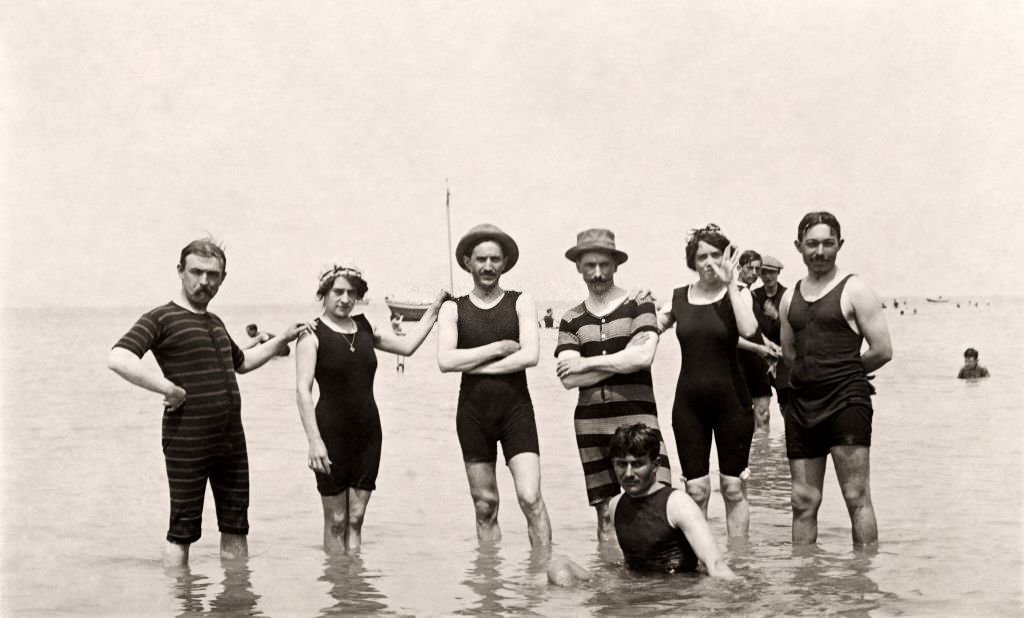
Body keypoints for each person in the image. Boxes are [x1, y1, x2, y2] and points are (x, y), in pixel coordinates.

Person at [107, 238, 306, 567]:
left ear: (223, 278)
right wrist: (167, 388)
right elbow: (118, 357)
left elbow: (242, 363)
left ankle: (237, 601)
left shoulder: (215, 322)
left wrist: (282, 339)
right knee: (182, 529)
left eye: (213, 274)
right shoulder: (160, 318)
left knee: (236, 524)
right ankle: (184, 606)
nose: (204, 281)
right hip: (187, 438)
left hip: (231, 440)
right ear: (180, 271)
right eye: (196, 272)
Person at [294, 264, 448, 554]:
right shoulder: (311, 335)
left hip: (368, 434)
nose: (345, 298)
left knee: (356, 518)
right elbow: (303, 391)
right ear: (324, 294)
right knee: (336, 519)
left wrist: (436, 309)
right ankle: (339, 590)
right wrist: (314, 442)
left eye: (352, 293)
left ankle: (355, 589)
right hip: (330, 435)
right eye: (337, 291)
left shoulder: (365, 328)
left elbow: (408, 346)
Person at [779, 211, 892, 548]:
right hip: (802, 407)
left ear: (839, 244)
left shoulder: (854, 288)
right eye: (812, 244)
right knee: (802, 501)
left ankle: (862, 583)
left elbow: (883, 349)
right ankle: (804, 587)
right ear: (798, 246)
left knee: (855, 495)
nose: (820, 251)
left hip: (847, 403)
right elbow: (789, 354)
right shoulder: (790, 297)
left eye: (828, 243)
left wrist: (845, 371)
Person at [436, 223, 552, 546]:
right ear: (467, 262)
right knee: (485, 506)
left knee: (530, 498)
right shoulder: (452, 308)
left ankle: (543, 580)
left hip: (516, 411)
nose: (488, 266)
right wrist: (498, 348)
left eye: (495, 259)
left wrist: (473, 364)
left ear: (504, 264)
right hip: (473, 415)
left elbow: (530, 356)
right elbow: (445, 361)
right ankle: (489, 590)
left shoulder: (520, 301)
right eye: (481, 259)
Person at [554, 228, 672, 541]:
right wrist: (624, 357)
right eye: (589, 265)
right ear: (578, 267)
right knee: (606, 515)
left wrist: (587, 362)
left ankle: (664, 588)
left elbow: (644, 357)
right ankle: (612, 586)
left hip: (639, 419)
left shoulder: (639, 304)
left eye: (604, 265)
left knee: (660, 505)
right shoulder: (570, 319)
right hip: (591, 426)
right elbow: (568, 378)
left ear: (616, 265)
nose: (597, 273)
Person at [656, 223, 758, 539]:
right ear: (693, 261)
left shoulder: (739, 295)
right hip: (689, 406)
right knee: (696, 490)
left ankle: (739, 566)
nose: (709, 262)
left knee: (732, 486)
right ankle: (699, 568)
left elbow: (749, 329)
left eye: (717, 255)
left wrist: (730, 286)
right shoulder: (678, 299)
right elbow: (647, 330)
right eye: (702, 257)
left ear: (728, 257)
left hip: (733, 403)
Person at [608, 424, 737, 578]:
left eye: (637, 464)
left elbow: (715, 564)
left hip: (678, 595)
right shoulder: (615, 505)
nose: (628, 473)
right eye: (622, 464)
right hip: (638, 594)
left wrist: (740, 595)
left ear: (656, 465)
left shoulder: (677, 503)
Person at [735, 250, 776, 431]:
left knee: (763, 413)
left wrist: (769, 344)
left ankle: (762, 456)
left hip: (756, 359)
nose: (753, 273)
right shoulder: (733, 293)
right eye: (749, 268)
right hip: (740, 359)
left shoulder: (750, 294)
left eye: (757, 269)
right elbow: (730, 334)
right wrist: (761, 347)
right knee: (745, 414)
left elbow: (755, 329)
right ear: (738, 268)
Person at [752, 255, 788, 419]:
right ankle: (762, 444)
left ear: (778, 273)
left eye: (772, 273)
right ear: (759, 274)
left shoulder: (787, 295)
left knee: (787, 405)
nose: (768, 277)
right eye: (764, 273)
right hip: (760, 357)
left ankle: (789, 442)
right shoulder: (753, 296)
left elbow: (794, 328)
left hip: (782, 357)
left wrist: (777, 316)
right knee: (761, 410)